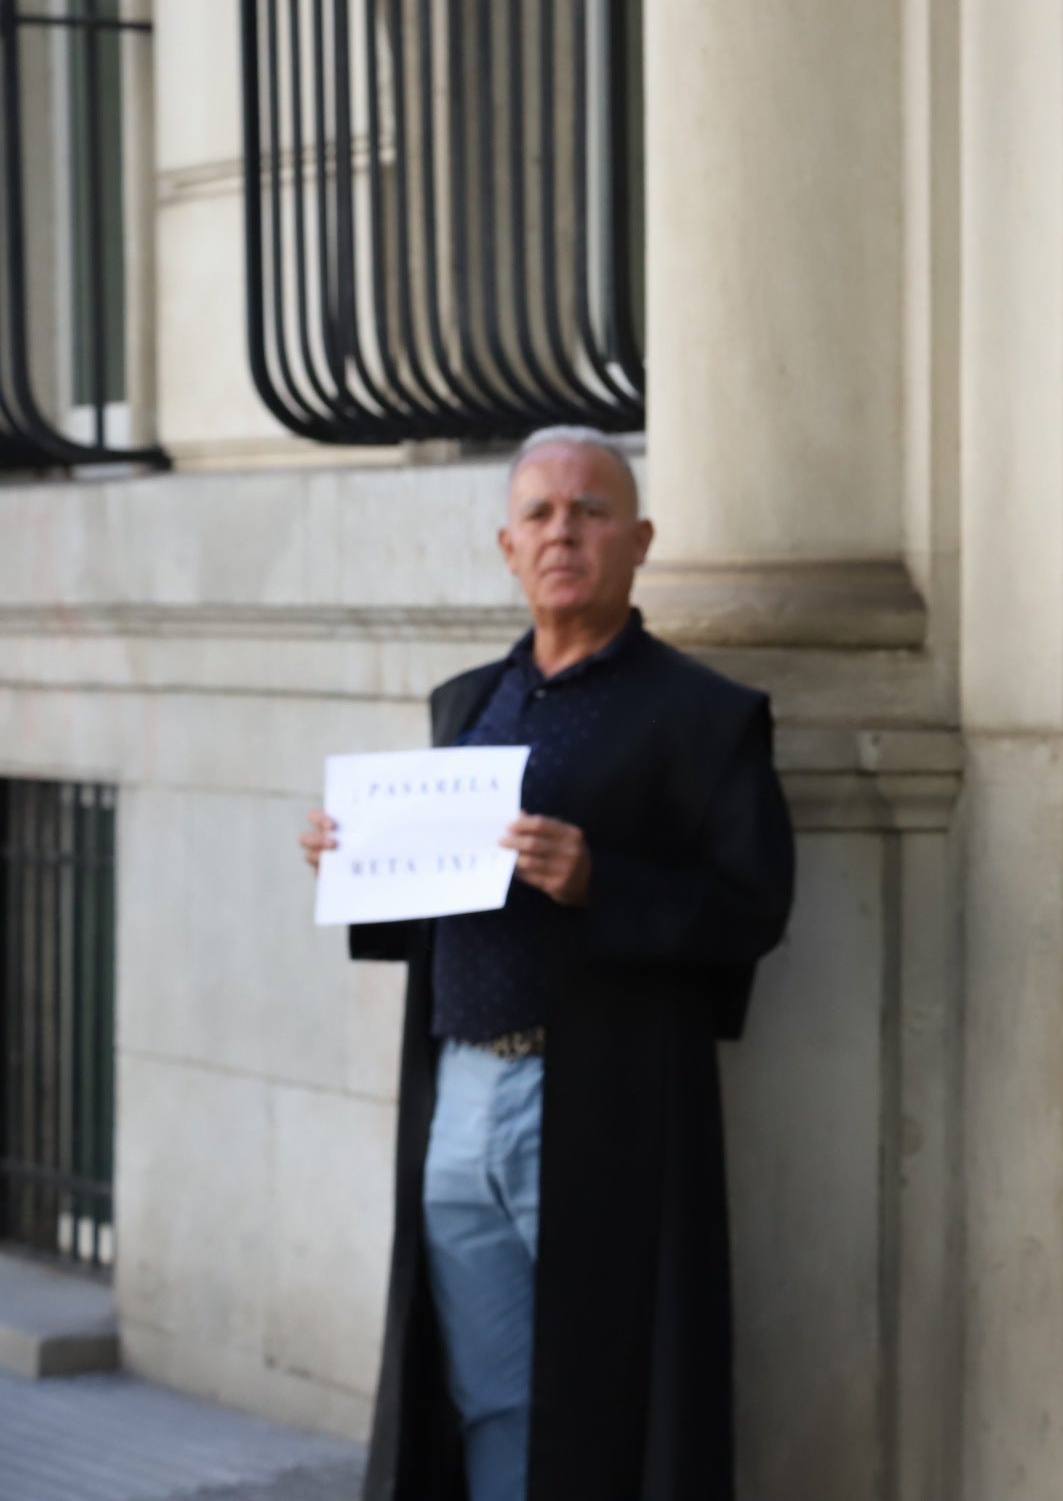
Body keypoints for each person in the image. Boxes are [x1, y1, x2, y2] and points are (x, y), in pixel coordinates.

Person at [300, 427, 794, 1501]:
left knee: (608, 1383)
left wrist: (597, 880)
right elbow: (434, 903)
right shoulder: (467, 701)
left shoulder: (703, 715)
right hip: (460, 1088)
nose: (563, 530)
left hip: (603, 1097)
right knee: (483, 1390)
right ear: (507, 546)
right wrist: (356, 863)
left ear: (641, 539)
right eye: (540, 513)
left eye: (590, 509)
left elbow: (754, 908)